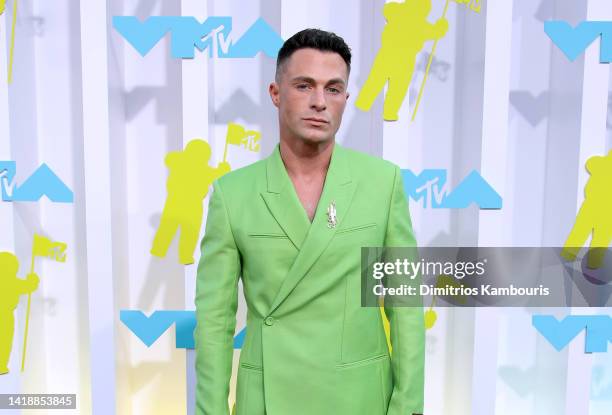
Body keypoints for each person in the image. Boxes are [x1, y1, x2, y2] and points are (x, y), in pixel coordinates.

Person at [195, 29, 424, 415]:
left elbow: (405, 306)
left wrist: (408, 407)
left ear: (345, 99)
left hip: (360, 398)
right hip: (268, 398)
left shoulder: (383, 184)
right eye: (305, 86)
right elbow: (214, 323)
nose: (320, 102)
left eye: (333, 89)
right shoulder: (232, 195)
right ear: (276, 93)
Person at [355, 0, 448, 121]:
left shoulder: (397, 12)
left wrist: (398, 8)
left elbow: (386, 9)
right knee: (398, 88)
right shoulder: (422, 25)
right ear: (425, 10)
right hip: (405, 59)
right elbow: (437, 32)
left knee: (375, 80)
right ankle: (389, 113)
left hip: (387, 53)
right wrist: (442, 24)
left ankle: (363, 103)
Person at [150, 139, 231, 265]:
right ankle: (179, 255)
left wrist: (222, 169)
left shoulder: (180, 162)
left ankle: (161, 250)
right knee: (186, 232)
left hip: (179, 202)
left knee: (177, 229)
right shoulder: (198, 168)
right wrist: (223, 168)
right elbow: (219, 174)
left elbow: (170, 158)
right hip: (188, 203)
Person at [0, 252, 39, 375]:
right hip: (5, 315)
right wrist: (33, 279)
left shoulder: (11, 281)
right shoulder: (13, 281)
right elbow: (29, 286)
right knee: (5, 340)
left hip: (6, 312)